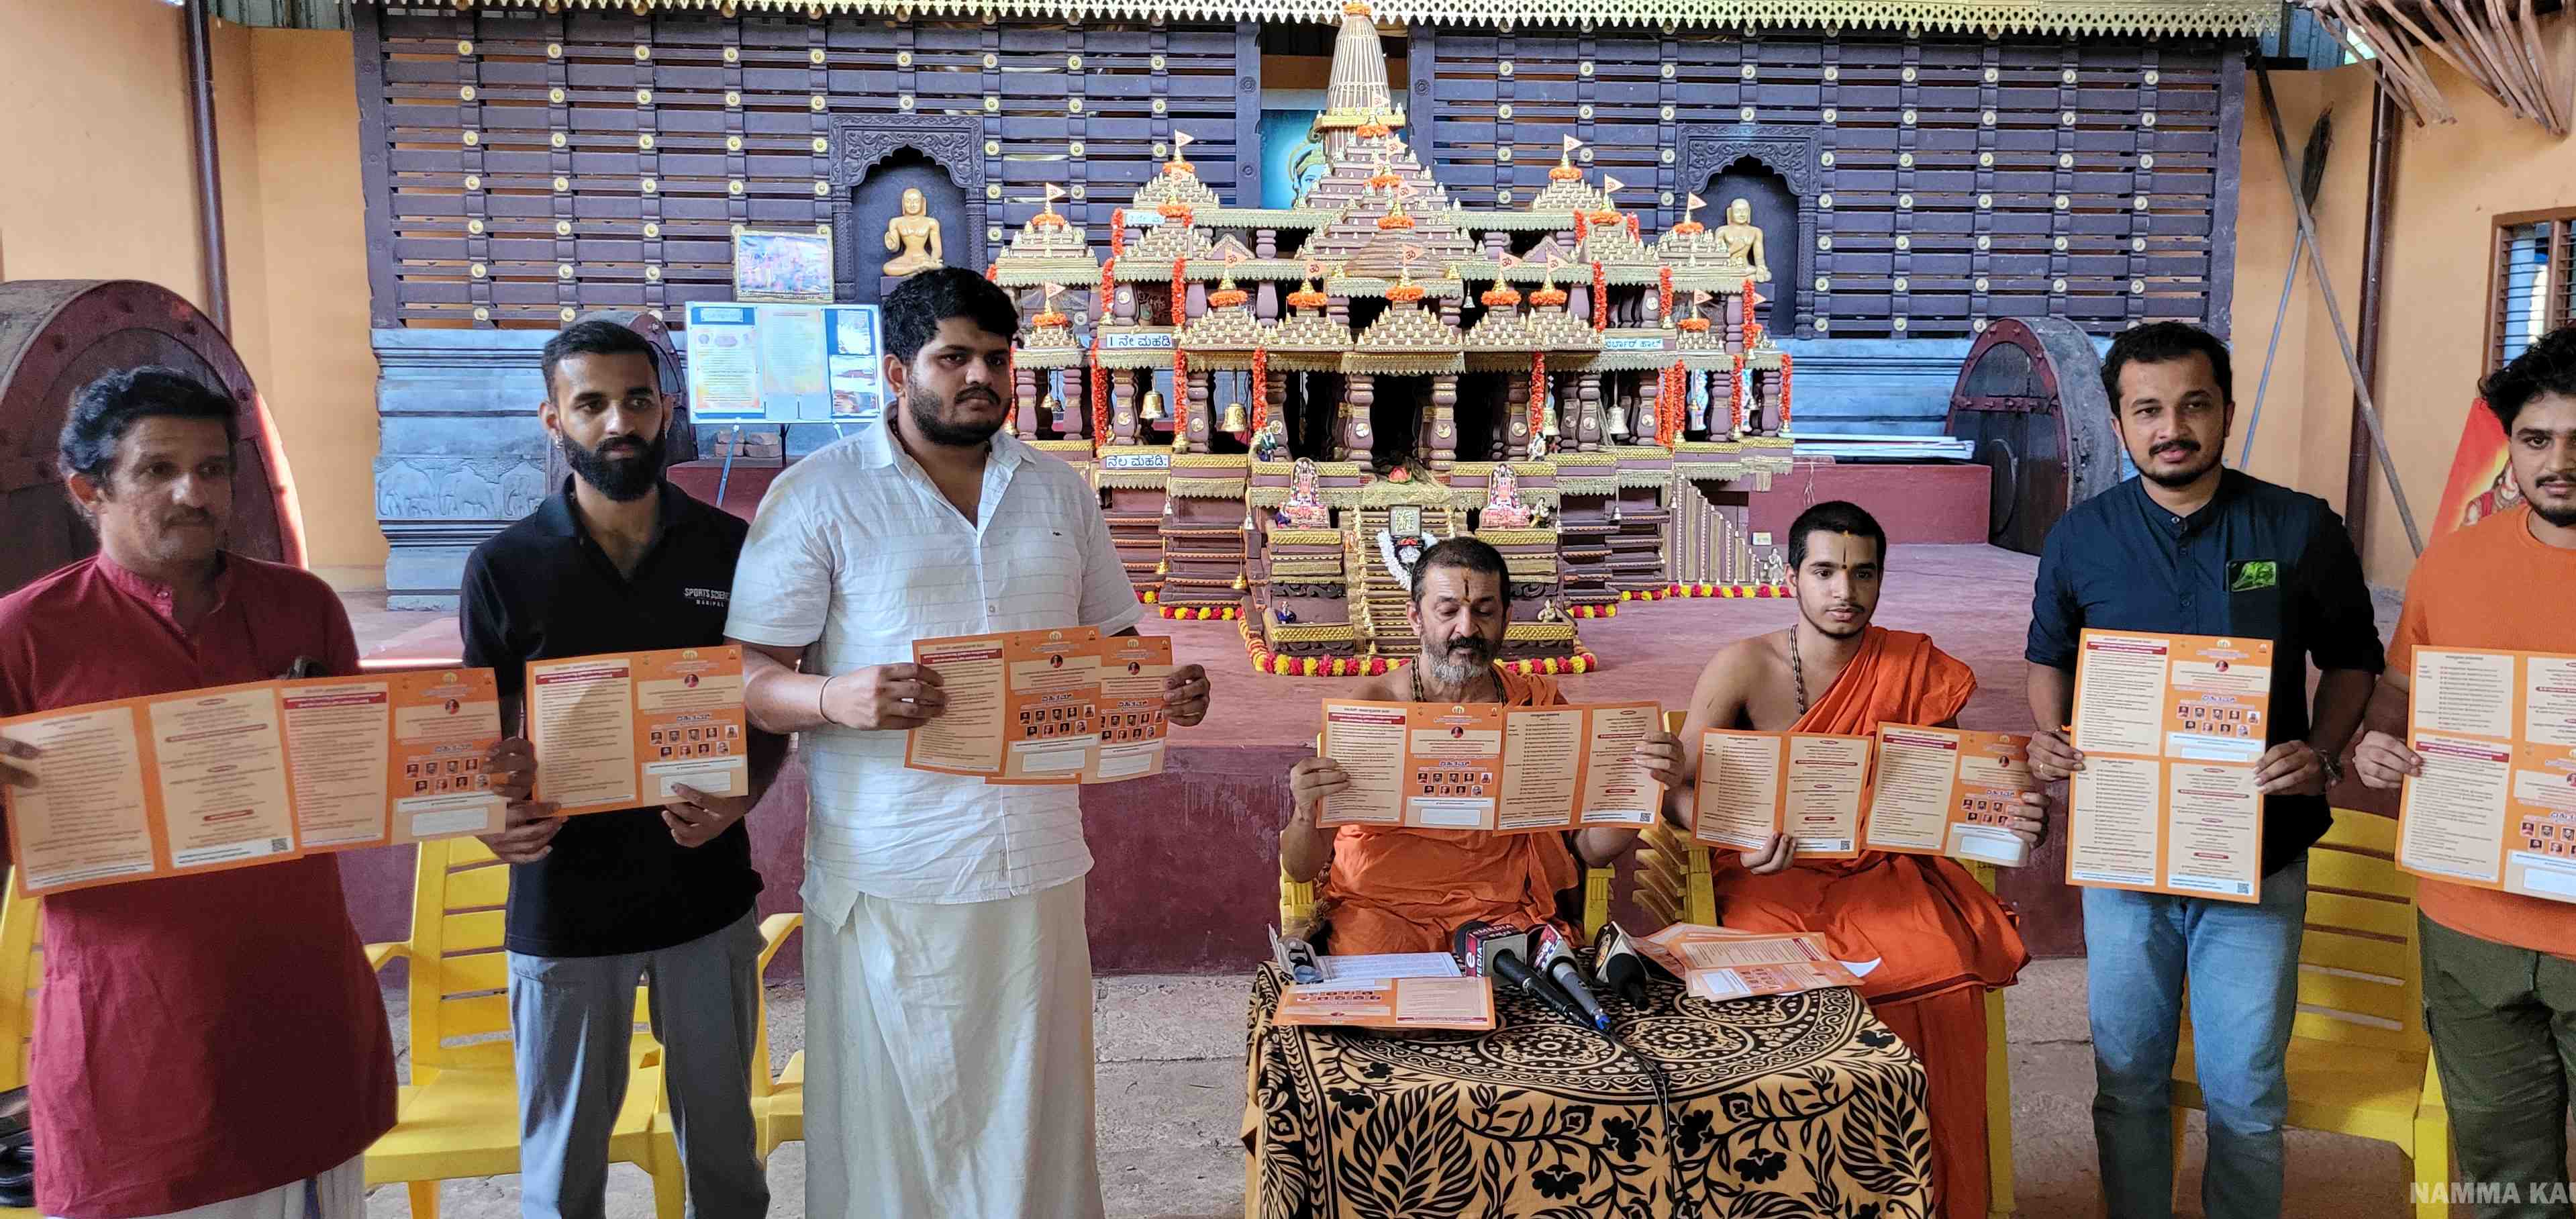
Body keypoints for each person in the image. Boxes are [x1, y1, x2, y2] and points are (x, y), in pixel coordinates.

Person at [722, 266, 1213, 1218]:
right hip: (891, 867)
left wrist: (1164, 689)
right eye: (954, 358)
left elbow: (1115, 646)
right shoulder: (818, 494)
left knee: (1035, 1107)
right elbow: (748, 676)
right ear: (897, 371)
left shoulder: (1058, 492)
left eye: (995, 357)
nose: (981, 376)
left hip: (1036, 860)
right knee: (896, 1124)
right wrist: (833, 696)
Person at [0, 369, 513, 1218]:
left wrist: (479, 791)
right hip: (132, 1054)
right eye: (158, 469)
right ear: (88, 489)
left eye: (212, 469)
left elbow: (371, 781)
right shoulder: (26, 634)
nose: (194, 492)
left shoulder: (300, 608)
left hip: (303, 1025)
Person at [2016, 321, 2384, 1219]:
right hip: (2126, 856)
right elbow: (2048, 656)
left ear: (2225, 410)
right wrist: (2052, 731)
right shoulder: (2082, 536)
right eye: (2147, 410)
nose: (2171, 428)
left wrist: (2322, 751)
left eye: (2193, 405)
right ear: (2118, 421)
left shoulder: (2298, 526)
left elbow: (2351, 660)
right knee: (2127, 1079)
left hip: (2259, 851)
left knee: (2245, 1090)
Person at [2352, 328, 2576, 1218]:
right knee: (2505, 1188)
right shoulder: (2453, 561)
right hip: (2469, 930)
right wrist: (2378, 743)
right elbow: (2400, 692)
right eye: (2535, 439)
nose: (2558, 463)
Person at [458, 322, 780, 1219]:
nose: (618, 423)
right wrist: (490, 817)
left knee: (727, 1163)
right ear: (553, 417)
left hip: (704, 893)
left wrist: (743, 795)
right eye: (591, 403)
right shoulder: (503, 568)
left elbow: (769, 705)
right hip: (564, 906)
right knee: (562, 1177)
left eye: (637, 400)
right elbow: (474, 741)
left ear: (666, 409)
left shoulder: (731, 549)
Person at [1663, 502, 2030, 1219]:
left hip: (1884, 871)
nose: (1845, 592)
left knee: (1943, 974)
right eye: (1825, 572)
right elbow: (1680, 786)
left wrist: (2009, 815)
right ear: (1792, 577)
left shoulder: (1914, 666)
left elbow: (1950, 788)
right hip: (1769, 877)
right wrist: (1736, 834)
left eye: (1863, 574)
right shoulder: (1744, 665)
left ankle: (1936, 1197)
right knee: (1785, 993)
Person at [1283, 538, 1684, 953]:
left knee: (1533, 986)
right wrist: (1305, 811)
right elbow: (1300, 868)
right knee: (1377, 984)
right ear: (1415, 618)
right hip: (1383, 911)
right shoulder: (1371, 711)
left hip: (1504, 916)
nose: (1467, 629)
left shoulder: (1536, 709)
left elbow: (1589, 851)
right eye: (1448, 611)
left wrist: (1642, 786)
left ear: (1506, 618)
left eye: (1484, 611)